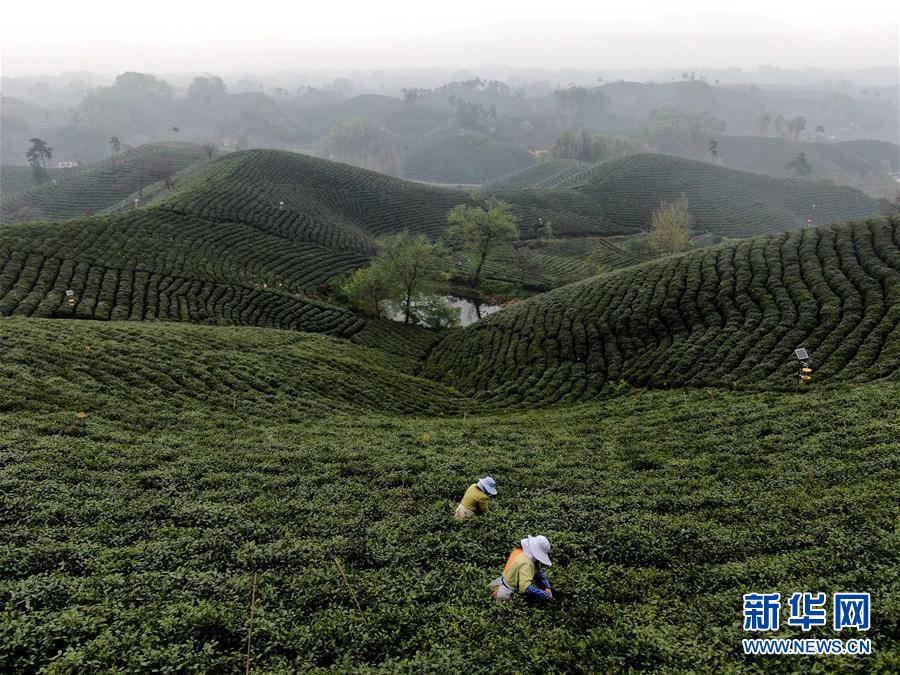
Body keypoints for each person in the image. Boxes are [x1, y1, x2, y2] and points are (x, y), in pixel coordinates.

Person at [489, 535, 553, 603]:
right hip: (506, 592)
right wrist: (544, 595)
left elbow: (538, 572)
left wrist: (546, 586)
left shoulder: (520, 551)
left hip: (501, 581)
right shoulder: (527, 563)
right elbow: (525, 588)